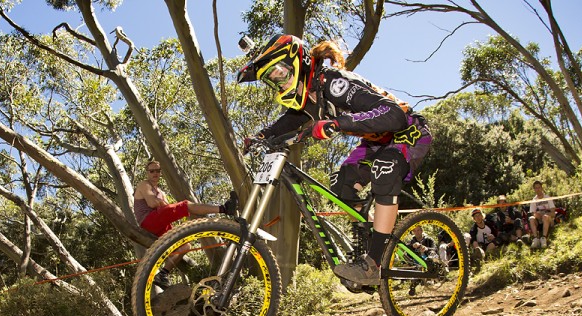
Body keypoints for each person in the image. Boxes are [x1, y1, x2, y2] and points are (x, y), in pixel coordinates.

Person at [237, 35, 432, 285]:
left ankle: (373, 265)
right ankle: (373, 243)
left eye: (280, 74)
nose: (279, 84)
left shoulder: (333, 82)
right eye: (272, 81)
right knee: (342, 184)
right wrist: (260, 137)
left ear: (297, 62)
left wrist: (337, 123)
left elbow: (394, 115)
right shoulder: (308, 98)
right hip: (376, 142)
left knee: (385, 169)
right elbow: (289, 120)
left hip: (409, 132)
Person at [134, 160, 236, 287]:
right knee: (186, 205)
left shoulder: (161, 192)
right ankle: (224, 209)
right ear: (147, 173)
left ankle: (163, 274)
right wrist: (161, 203)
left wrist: (160, 202)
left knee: (185, 246)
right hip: (148, 220)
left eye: (157, 171)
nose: (155, 173)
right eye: (152, 171)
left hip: (160, 222)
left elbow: (165, 206)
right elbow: (152, 203)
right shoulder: (144, 184)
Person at [528, 181, 556, 249]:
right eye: (536, 188)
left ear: (542, 188)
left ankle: (544, 238)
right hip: (539, 220)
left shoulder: (547, 197)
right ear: (534, 189)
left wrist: (545, 214)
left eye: (539, 187)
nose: (538, 189)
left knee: (545, 217)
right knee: (531, 218)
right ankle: (535, 239)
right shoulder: (534, 200)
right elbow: (532, 213)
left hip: (548, 219)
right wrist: (536, 215)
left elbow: (553, 213)